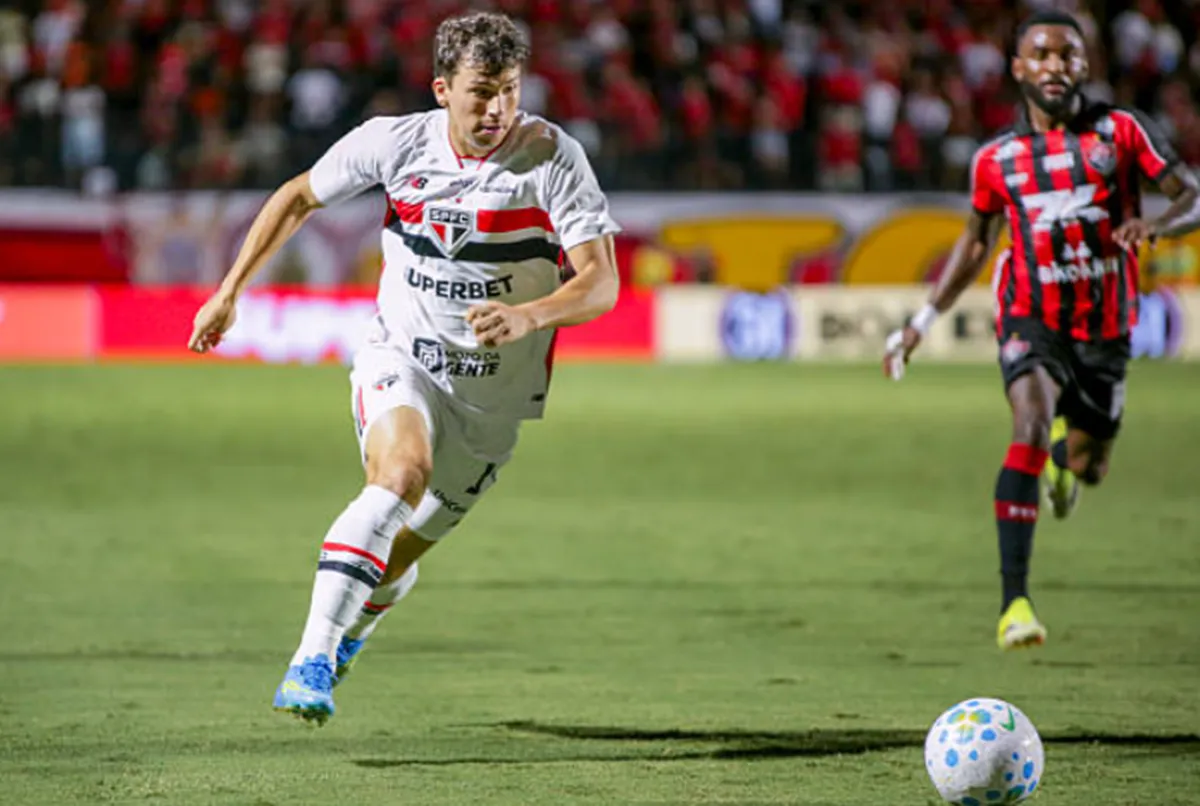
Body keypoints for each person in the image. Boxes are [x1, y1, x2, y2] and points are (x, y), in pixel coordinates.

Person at [187, 11, 621, 724]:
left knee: (391, 559)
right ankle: (311, 659)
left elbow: (600, 282)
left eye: (510, 90)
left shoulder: (551, 158)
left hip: (490, 404)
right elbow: (298, 194)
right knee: (398, 476)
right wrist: (230, 291)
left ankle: (351, 630)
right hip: (403, 357)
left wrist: (530, 316)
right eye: (482, 92)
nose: (497, 109)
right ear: (443, 89)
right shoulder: (394, 142)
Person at [883, 10, 1200, 651]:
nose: (1055, 65)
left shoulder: (1122, 131)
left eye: (1067, 55)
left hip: (1105, 328)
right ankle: (1014, 604)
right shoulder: (997, 159)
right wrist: (921, 321)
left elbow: (1190, 194)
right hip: (1030, 317)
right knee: (1026, 423)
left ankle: (1065, 461)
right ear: (1018, 68)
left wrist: (1157, 227)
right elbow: (975, 245)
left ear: (1085, 66)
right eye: (1042, 55)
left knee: (1090, 466)